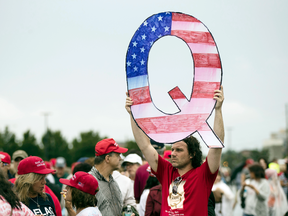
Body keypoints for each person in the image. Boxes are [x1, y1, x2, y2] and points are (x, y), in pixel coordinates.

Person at [125, 86, 225, 215]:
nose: (173, 153)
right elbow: (145, 146)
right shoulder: (167, 171)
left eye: (179, 150)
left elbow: (216, 146)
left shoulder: (204, 174)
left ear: (192, 154)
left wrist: (218, 109)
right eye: (172, 149)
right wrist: (133, 115)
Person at [88, 138, 128, 216]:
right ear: (107, 158)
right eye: (118, 155)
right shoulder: (89, 182)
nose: (121, 158)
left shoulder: (113, 181)